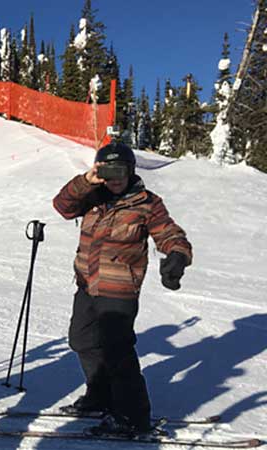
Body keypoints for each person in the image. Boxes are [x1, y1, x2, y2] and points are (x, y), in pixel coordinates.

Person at [52, 142, 193, 435]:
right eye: (109, 172)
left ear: (131, 170)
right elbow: (62, 206)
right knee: (81, 340)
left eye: (121, 171)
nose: (115, 179)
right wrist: (85, 182)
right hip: (87, 284)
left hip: (119, 289)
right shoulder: (92, 197)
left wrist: (177, 256)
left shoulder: (147, 203)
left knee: (118, 351)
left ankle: (133, 416)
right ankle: (101, 396)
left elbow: (169, 233)